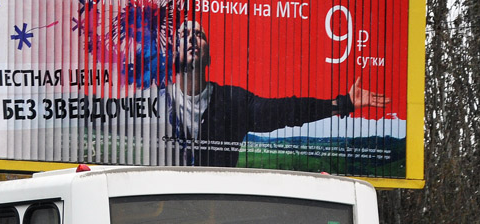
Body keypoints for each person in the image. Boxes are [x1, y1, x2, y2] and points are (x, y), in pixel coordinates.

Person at [162, 18, 388, 167]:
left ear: (209, 57)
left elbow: (288, 110)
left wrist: (344, 103)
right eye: (184, 34)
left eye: (199, 34)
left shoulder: (233, 102)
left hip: (216, 203)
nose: (192, 38)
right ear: (172, 54)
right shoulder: (157, 101)